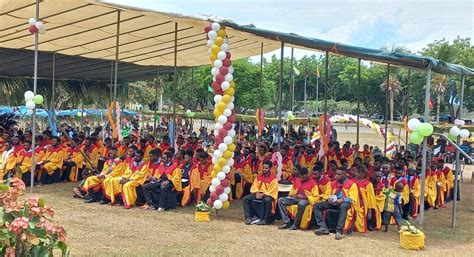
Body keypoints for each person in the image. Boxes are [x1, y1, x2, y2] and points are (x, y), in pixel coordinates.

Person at [313, 169, 359, 240]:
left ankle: (339, 231)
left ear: (344, 175)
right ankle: (323, 227)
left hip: (345, 203)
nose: (336, 176)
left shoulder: (352, 184)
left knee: (344, 206)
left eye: (338, 174)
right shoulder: (333, 183)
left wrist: (342, 199)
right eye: (336, 174)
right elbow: (328, 194)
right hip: (334, 202)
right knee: (316, 205)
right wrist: (329, 199)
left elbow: (353, 198)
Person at [243, 160, 278, 225]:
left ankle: (266, 219)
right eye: (263, 168)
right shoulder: (258, 177)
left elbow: (272, 190)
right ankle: (249, 217)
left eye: (266, 168)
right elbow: (254, 186)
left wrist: (263, 194)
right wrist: (257, 193)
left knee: (267, 200)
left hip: (268, 194)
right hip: (258, 193)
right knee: (245, 199)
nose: (264, 170)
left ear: (270, 169)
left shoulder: (274, 179)